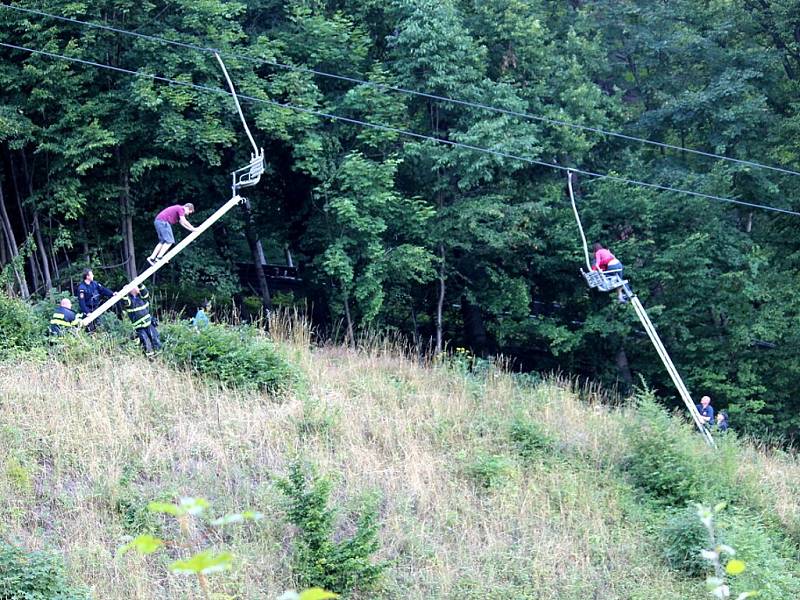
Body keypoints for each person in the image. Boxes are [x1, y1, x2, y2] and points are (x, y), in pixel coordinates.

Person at [121, 286, 161, 357]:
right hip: (140, 328)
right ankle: (150, 358)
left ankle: (159, 356)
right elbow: (125, 300)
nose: (138, 288)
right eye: (135, 287)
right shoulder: (130, 302)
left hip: (149, 324)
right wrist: (124, 291)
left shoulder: (143, 298)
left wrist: (139, 283)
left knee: (155, 339)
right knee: (146, 342)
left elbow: (144, 291)